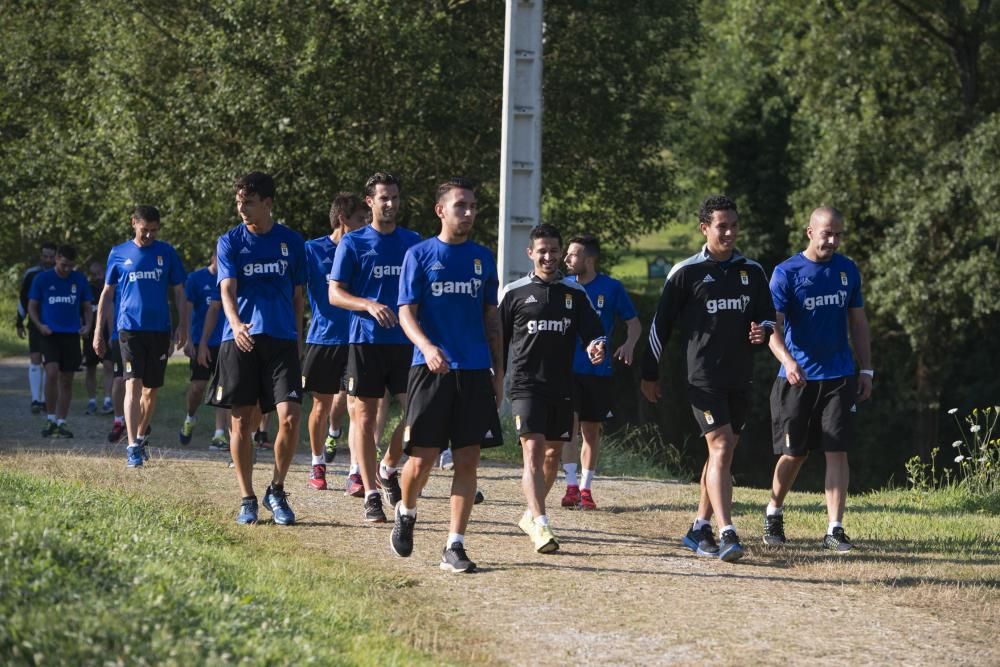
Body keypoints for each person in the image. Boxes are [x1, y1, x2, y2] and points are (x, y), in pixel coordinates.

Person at [640, 194, 775, 563]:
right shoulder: (686, 273)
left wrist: (762, 331)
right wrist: (649, 373)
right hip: (703, 378)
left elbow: (768, 316)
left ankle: (699, 527)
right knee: (720, 448)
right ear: (705, 229)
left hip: (740, 376)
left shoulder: (753, 271)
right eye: (722, 226)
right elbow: (659, 326)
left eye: (733, 225)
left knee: (724, 452)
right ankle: (728, 532)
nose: (729, 232)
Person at [390, 178, 503, 573]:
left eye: (473, 206)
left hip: (474, 371)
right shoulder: (419, 255)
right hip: (430, 369)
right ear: (441, 210)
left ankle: (454, 545)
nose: (469, 213)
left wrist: (498, 369)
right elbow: (406, 312)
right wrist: (426, 346)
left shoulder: (482, 258)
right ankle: (407, 511)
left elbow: (492, 317)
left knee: (468, 461)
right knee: (421, 461)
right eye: (461, 206)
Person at [764, 207, 872, 552]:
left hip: (839, 376)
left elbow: (858, 323)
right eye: (826, 233)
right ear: (809, 232)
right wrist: (788, 360)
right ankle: (774, 513)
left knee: (837, 451)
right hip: (797, 378)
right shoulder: (786, 272)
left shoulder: (847, 270)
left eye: (838, 234)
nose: (832, 240)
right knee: (794, 454)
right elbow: (772, 328)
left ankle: (835, 529)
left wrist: (866, 369)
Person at [499, 224, 606, 554]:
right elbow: (498, 341)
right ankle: (542, 526)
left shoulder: (575, 294)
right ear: (530, 253)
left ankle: (531, 513)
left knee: (551, 456)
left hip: (561, 385)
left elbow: (594, 333)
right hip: (524, 385)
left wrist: (595, 347)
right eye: (541, 251)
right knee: (531, 452)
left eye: (554, 250)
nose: (548, 256)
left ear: (561, 254)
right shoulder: (514, 293)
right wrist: (494, 380)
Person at [213, 171, 306, 525]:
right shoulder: (230, 242)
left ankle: (277, 490)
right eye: (238, 202)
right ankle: (247, 498)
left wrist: (297, 340)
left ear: (267, 203)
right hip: (241, 340)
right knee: (241, 422)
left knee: (290, 416)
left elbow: (299, 297)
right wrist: (236, 325)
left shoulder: (291, 242)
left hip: (281, 341)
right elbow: (227, 290)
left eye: (248, 202)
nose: (241, 209)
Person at [329, 171, 421, 523]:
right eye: (384, 197)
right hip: (365, 342)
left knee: (418, 412)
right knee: (364, 420)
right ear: (369, 202)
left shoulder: (413, 242)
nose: (391, 204)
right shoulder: (353, 243)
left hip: (406, 342)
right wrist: (368, 304)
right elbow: (334, 293)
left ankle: (388, 466)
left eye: (395, 197)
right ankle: (370, 494)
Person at [94, 206, 187, 467]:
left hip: (159, 330)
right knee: (132, 383)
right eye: (144, 230)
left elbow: (180, 291)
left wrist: (183, 325)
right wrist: (98, 332)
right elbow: (107, 294)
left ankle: (142, 433)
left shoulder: (166, 252)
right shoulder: (118, 253)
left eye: (154, 231)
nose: (148, 236)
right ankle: (132, 445)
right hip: (129, 329)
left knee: (151, 391)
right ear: (134, 223)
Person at [560, 234, 641, 510]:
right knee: (568, 429)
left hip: (598, 372)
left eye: (572, 255)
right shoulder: (562, 286)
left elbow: (634, 323)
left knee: (590, 432)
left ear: (589, 260)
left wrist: (629, 344)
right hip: (566, 370)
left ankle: (586, 488)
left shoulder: (611, 287)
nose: (566, 259)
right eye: (567, 254)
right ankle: (571, 486)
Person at [303, 193, 367, 490]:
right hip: (323, 338)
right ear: (343, 220)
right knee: (320, 406)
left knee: (357, 406)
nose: (365, 225)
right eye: (359, 220)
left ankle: (356, 471)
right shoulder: (312, 250)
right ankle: (318, 463)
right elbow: (293, 291)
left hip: (357, 339)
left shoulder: (365, 248)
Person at [28, 245, 93, 437]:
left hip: (71, 335)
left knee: (66, 380)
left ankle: (61, 422)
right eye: (64, 264)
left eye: (70, 266)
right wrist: (40, 325)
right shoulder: (42, 279)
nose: (67, 269)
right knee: (52, 372)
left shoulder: (79, 279)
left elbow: (87, 306)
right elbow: (32, 306)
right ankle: (49, 418)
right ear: (57, 259)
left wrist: (88, 326)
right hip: (49, 334)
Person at [178, 250, 229, 450]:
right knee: (198, 387)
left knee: (222, 389)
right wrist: (190, 339)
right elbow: (188, 309)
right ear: (213, 259)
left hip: (225, 342)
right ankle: (190, 417)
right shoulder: (196, 278)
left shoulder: (230, 278)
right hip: (201, 342)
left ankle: (219, 434)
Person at [16, 242, 57, 413]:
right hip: (35, 323)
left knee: (50, 363)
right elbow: (23, 299)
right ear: (41, 256)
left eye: (51, 256)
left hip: (55, 325)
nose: (48, 260)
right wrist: (19, 321)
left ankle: (46, 399)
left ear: (56, 256)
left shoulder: (62, 274)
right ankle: (35, 400)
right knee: (35, 358)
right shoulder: (31, 274)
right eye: (45, 256)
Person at [81, 261, 114, 416]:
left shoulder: (110, 289)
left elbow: (112, 313)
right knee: (90, 368)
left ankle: (108, 400)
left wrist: (111, 333)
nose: (96, 278)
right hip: (89, 335)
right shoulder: (86, 289)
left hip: (107, 333)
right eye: (93, 275)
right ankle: (92, 400)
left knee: (108, 365)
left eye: (98, 274)